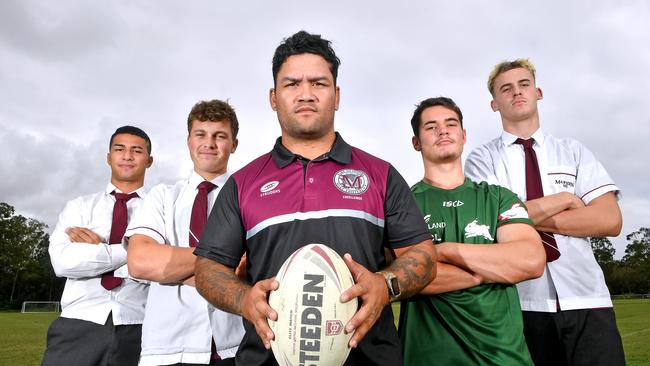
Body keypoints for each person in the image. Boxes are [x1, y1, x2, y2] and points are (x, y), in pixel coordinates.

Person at [192, 30, 437, 366]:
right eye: (292, 84)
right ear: (273, 98)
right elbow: (207, 268)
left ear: (336, 96)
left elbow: (422, 255)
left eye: (318, 84)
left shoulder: (380, 174)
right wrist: (244, 298)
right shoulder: (243, 183)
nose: (305, 94)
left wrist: (386, 284)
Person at [465, 59, 625, 365]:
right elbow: (489, 221)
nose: (517, 92)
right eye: (506, 89)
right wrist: (565, 198)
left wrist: (521, 216)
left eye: (524, 84)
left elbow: (609, 219)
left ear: (538, 92)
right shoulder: (482, 159)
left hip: (588, 299)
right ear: (494, 103)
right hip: (522, 304)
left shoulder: (573, 151)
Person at [399, 97, 545, 365]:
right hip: (428, 358)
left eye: (450, 124)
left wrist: (442, 251)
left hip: (503, 358)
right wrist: (492, 270)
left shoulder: (500, 197)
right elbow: (406, 279)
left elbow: (531, 261)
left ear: (464, 135)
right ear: (416, 142)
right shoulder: (401, 204)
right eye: (431, 127)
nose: (443, 130)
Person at [125, 99, 245, 366]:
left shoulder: (248, 198)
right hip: (169, 347)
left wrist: (174, 265)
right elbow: (141, 261)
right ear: (189, 140)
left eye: (220, 136)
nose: (209, 143)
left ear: (233, 144)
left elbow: (254, 267)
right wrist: (223, 263)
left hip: (235, 345)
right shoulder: (163, 197)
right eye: (200, 134)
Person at [43, 126, 153, 366]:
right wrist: (135, 251)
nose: (127, 156)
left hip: (141, 325)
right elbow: (63, 262)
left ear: (149, 160)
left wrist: (97, 251)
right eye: (119, 149)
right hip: (78, 322)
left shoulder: (161, 209)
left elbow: (163, 269)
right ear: (108, 157)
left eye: (137, 150)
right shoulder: (78, 207)